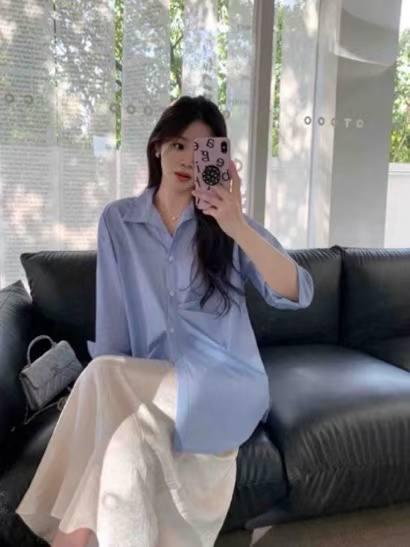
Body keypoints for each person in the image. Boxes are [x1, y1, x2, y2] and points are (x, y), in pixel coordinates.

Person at [15, 95, 314, 547]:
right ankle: (72, 539)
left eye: (203, 149)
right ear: (157, 147)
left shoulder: (226, 225)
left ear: (220, 159)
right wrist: (112, 409)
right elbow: (114, 326)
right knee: (125, 441)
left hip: (225, 385)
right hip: (152, 388)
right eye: (179, 145)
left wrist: (237, 225)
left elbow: (298, 291)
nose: (189, 159)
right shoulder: (119, 222)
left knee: (102, 375)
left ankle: (62, 535)